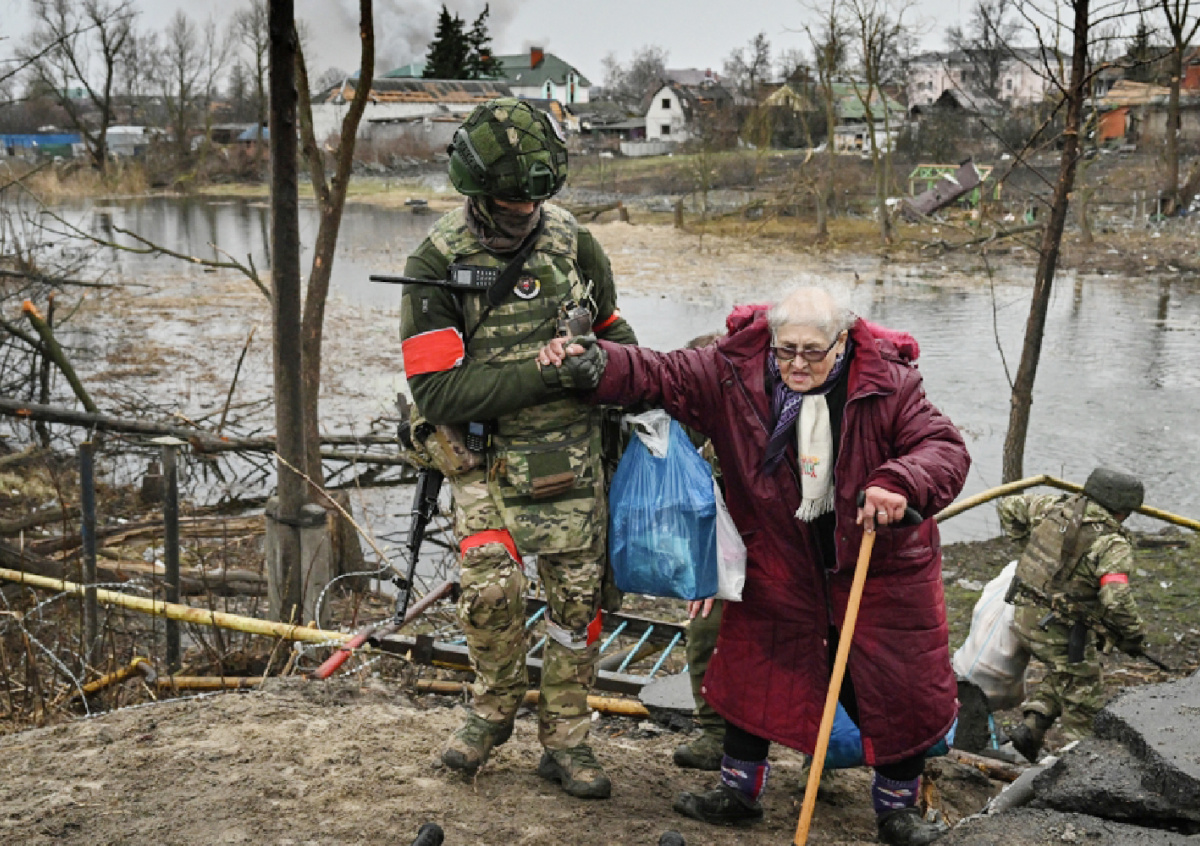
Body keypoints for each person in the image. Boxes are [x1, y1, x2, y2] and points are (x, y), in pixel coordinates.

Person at [539, 287, 969, 846]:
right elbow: (661, 372)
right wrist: (599, 361)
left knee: (893, 687)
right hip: (779, 553)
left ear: (842, 342)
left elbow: (942, 447)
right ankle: (737, 794)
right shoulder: (732, 371)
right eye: (785, 350)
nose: (796, 364)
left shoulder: (889, 382)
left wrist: (900, 481)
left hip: (876, 562)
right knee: (753, 674)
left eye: (812, 352)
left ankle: (897, 812)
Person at [398, 97, 637, 800]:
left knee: (576, 604)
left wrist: (602, 365)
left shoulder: (574, 244)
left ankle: (567, 738)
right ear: (478, 190)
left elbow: (619, 334)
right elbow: (436, 392)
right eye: (510, 202)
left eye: (535, 200)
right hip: (485, 455)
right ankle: (492, 710)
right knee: (492, 593)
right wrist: (543, 372)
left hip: (572, 452)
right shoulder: (436, 260)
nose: (524, 213)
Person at [997, 468, 1147, 764]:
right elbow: (1116, 599)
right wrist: (1133, 636)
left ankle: (1030, 731)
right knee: (1084, 689)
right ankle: (1078, 760)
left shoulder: (1052, 507)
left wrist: (1025, 544)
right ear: (1123, 511)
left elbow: (1008, 506)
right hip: (1055, 628)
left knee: (1067, 670)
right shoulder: (1111, 543)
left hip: (1022, 614)